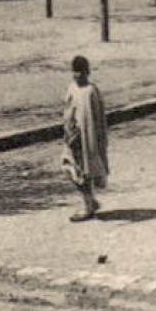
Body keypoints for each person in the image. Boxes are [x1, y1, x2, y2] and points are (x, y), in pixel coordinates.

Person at [60, 55, 109, 222]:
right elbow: (67, 111)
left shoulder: (91, 91)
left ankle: (88, 205)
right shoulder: (72, 88)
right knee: (69, 167)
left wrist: (94, 140)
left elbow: (97, 119)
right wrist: (68, 132)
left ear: (86, 72)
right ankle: (91, 202)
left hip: (87, 139)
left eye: (80, 72)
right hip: (72, 136)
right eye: (74, 72)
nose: (76, 75)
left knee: (84, 172)